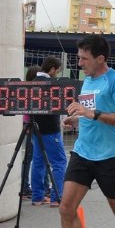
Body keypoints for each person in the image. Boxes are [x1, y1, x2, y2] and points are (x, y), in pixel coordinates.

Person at [60, 35, 115, 228]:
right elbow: (91, 115)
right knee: (66, 209)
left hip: (110, 156)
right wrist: (77, 120)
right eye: (79, 58)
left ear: (100, 59)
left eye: (84, 59)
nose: (79, 63)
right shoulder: (87, 80)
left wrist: (92, 114)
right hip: (82, 153)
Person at [30, 56, 67, 207]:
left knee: (38, 162)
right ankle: (56, 197)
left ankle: (37, 197)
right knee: (59, 162)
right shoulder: (51, 84)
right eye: (57, 71)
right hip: (50, 130)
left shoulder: (32, 82)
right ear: (52, 69)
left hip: (35, 129)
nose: (57, 74)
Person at [21, 65, 42, 201]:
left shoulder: (24, 89)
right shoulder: (34, 90)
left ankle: (25, 186)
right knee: (33, 157)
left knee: (29, 157)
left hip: (27, 124)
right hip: (32, 125)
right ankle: (25, 187)